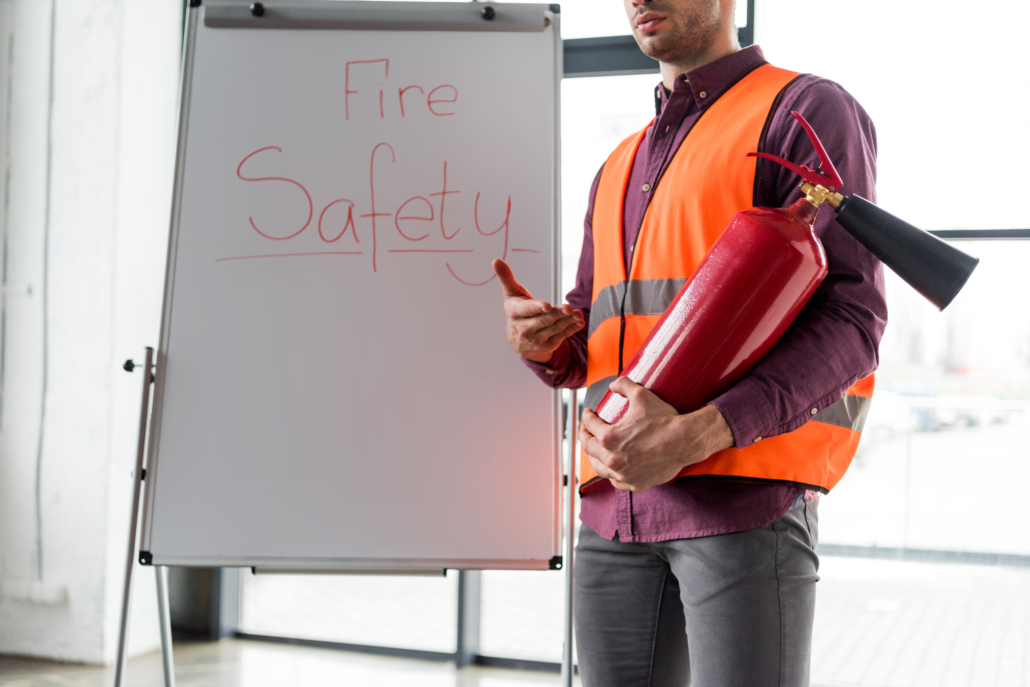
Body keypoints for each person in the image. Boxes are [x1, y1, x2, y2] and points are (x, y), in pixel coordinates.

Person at [493, 0, 886, 684]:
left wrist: (703, 431)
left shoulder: (804, 111)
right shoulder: (619, 163)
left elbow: (852, 322)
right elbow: (600, 331)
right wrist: (549, 345)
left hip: (742, 498)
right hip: (616, 509)